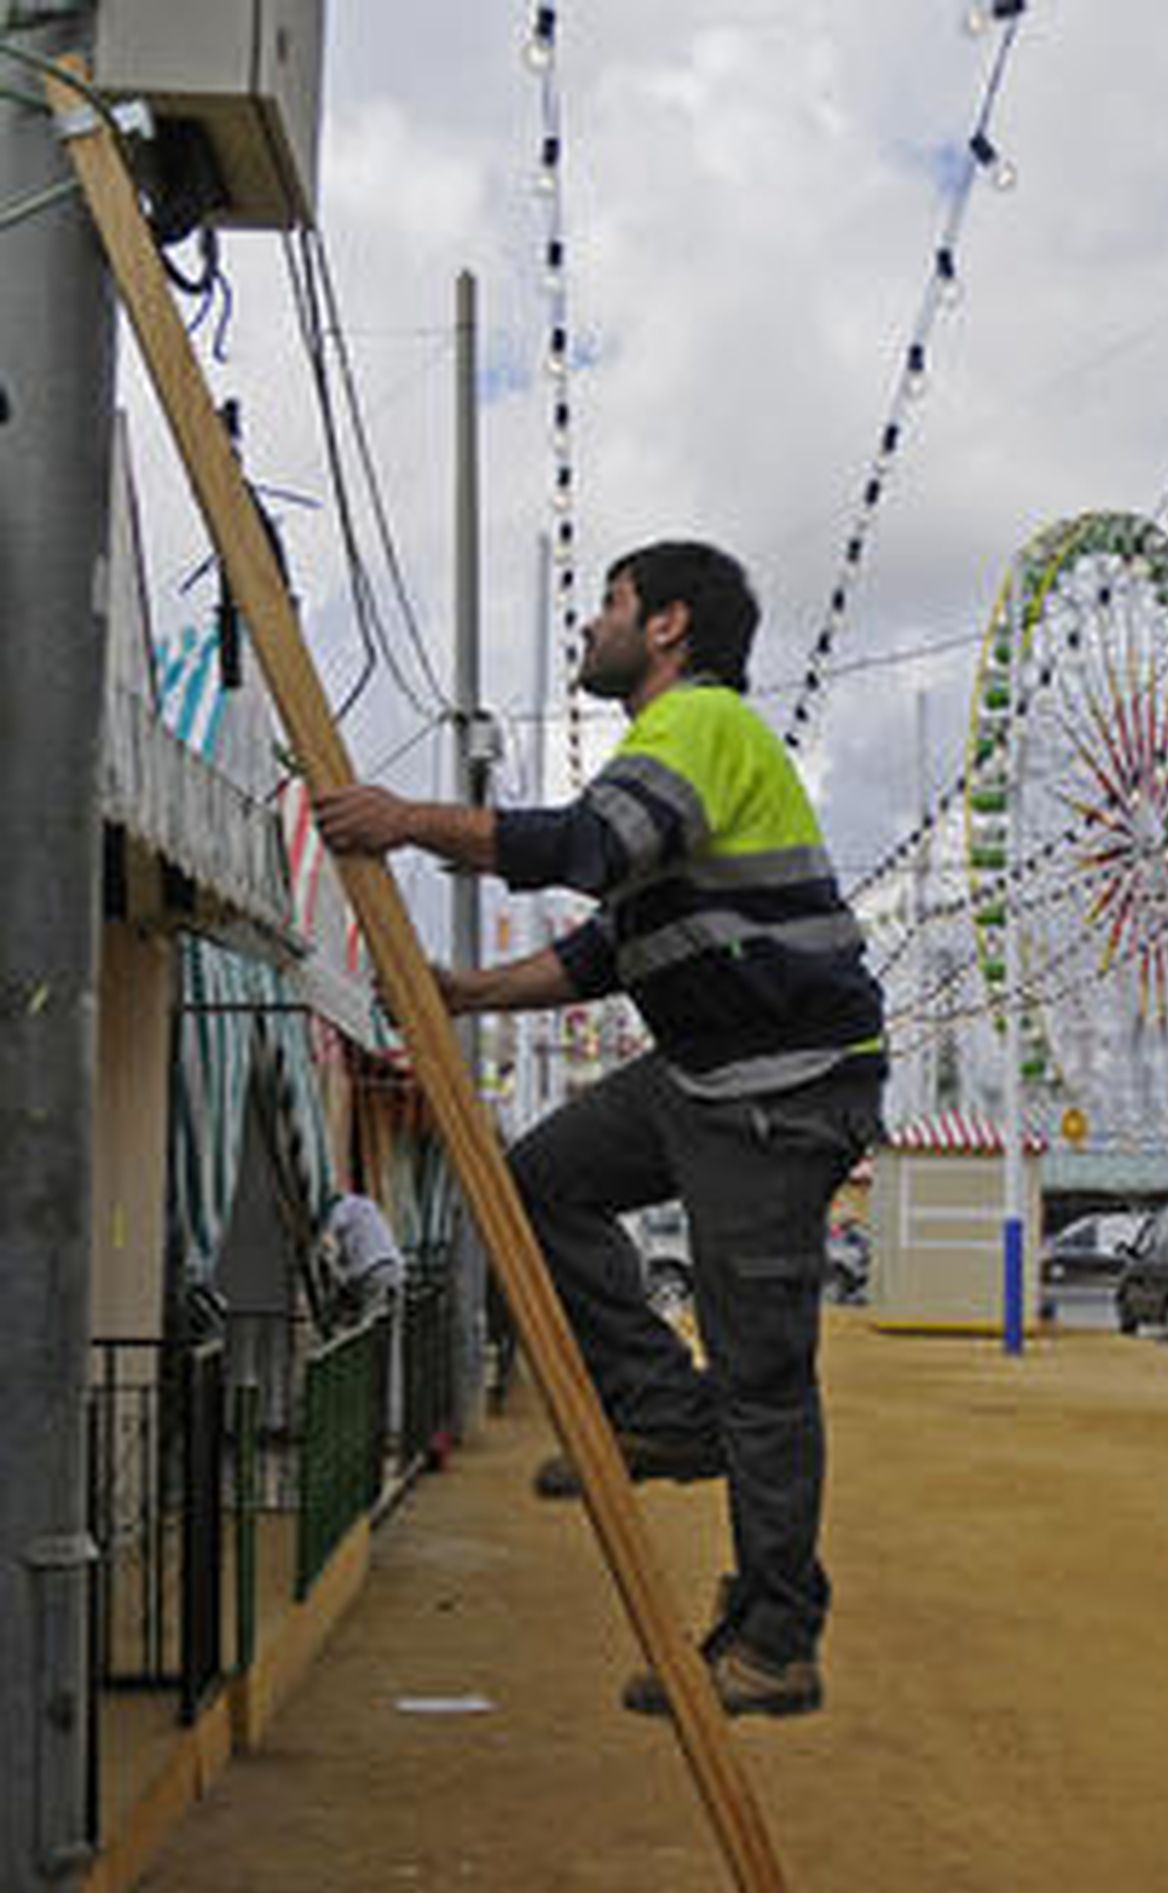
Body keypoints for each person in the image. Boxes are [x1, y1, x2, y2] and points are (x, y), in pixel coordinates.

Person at [313, 541, 885, 1721]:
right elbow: (605, 948)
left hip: (780, 1093)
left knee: (765, 1378)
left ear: (668, 627)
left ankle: (778, 1639)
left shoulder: (701, 731)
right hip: (705, 1078)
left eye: (612, 604)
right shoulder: (670, 752)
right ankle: (664, 1415)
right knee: (538, 1184)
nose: (591, 623)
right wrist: (470, 991)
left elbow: (584, 850)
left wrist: (404, 819)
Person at [320, 1189, 405, 1327]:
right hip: (396, 1268)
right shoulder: (368, 1205)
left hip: (373, 1271)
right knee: (393, 1325)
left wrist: (333, 1267)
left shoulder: (340, 1208)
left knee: (367, 1324)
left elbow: (328, 1242)